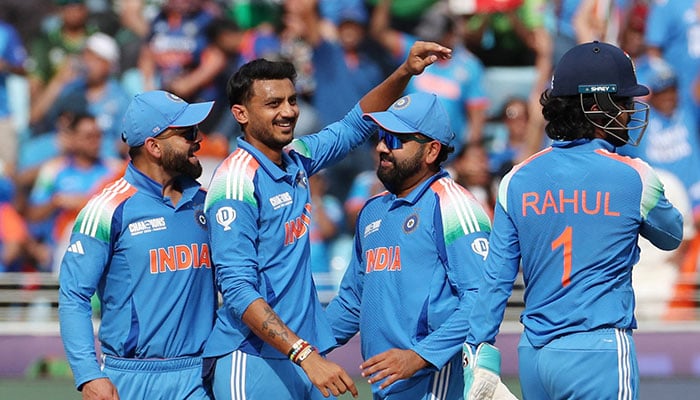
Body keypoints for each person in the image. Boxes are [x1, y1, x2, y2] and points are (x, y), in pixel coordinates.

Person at [202, 41, 452, 399]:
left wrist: (405, 71)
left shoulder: (297, 159)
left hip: (300, 358)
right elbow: (239, 292)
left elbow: (356, 124)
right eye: (273, 104)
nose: (288, 112)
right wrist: (305, 356)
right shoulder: (235, 183)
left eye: (291, 100)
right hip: (252, 359)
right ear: (241, 114)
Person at [465, 41, 683, 400]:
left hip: (534, 355)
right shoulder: (635, 176)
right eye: (624, 103)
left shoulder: (516, 179)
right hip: (599, 350)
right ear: (597, 108)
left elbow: (495, 281)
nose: (630, 112)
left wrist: (478, 352)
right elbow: (671, 234)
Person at [323, 92, 493, 399]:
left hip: (433, 385)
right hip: (385, 385)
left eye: (395, 139)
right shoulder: (372, 210)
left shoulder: (451, 205)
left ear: (431, 151)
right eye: (381, 136)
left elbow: (482, 297)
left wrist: (418, 358)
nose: (381, 147)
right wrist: (301, 348)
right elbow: (351, 302)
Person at [58, 90, 217, 399]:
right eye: (188, 133)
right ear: (154, 147)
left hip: (199, 378)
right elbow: (73, 296)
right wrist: (88, 375)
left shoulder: (208, 203)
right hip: (129, 379)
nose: (198, 140)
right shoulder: (106, 210)